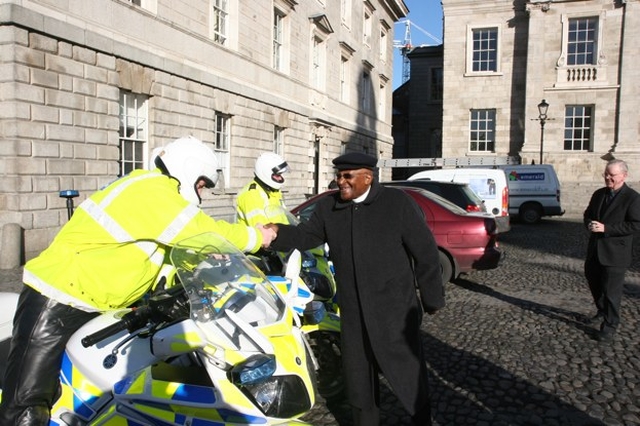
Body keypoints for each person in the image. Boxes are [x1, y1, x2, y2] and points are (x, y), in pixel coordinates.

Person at [0, 136, 276, 425]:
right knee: (27, 408)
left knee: (93, 392)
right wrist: (257, 237)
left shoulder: (153, 193)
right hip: (57, 298)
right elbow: (201, 232)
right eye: (202, 185)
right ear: (188, 169)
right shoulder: (152, 191)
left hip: (93, 304)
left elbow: (168, 252)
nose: (201, 193)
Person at [264, 152, 445, 426]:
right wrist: (277, 233)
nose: (341, 182)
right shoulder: (328, 207)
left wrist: (432, 299)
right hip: (352, 312)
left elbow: (426, 253)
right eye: (338, 176)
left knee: (408, 377)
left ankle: (421, 421)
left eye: (347, 176)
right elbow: (306, 236)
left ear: (368, 177)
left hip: (395, 311)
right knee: (359, 384)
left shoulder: (397, 204)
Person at [583, 159, 640, 343]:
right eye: (606, 174)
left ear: (624, 176)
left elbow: (635, 225)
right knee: (594, 282)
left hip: (616, 254)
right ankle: (602, 311)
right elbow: (587, 214)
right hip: (595, 250)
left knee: (611, 291)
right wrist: (590, 224)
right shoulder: (599, 193)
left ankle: (610, 325)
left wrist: (607, 229)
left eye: (612, 175)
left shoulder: (633, 198)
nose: (608, 178)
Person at [236, 152, 289, 227]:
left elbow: (284, 220)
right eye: (277, 175)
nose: (280, 178)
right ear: (265, 173)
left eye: (280, 175)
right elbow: (262, 229)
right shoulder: (252, 195)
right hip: (263, 238)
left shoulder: (273, 192)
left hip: (281, 236)